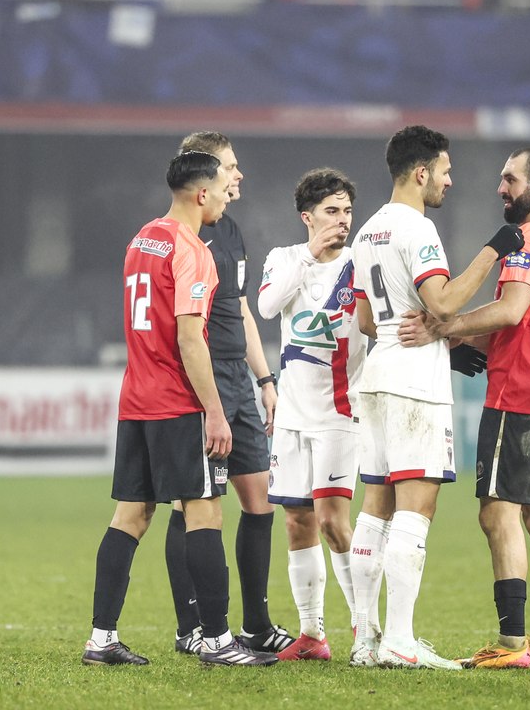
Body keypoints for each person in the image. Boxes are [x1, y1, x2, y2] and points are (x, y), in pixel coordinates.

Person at [83, 150, 275, 667]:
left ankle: (102, 638)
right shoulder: (192, 250)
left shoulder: (141, 238)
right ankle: (215, 639)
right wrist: (214, 410)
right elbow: (191, 340)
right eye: (220, 187)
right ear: (201, 193)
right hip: (176, 403)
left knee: (131, 515)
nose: (225, 196)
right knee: (204, 511)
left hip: (135, 400)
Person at [400, 147, 530, 669]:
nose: (501, 188)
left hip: (521, 393)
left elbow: (511, 309)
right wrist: (467, 346)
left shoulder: (529, 240)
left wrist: (444, 327)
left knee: (496, 512)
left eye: (511, 180)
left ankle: (511, 646)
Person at [347, 125, 524, 670]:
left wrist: (436, 347)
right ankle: (400, 639)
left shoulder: (369, 230)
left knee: (374, 510)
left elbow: (366, 319)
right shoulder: (417, 229)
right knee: (415, 511)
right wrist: (495, 249)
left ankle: (365, 639)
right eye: (445, 171)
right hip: (413, 387)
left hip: (376, 379)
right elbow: (443, 304)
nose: (450, 180)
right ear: (421, 172)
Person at [163, 132, 291, 658]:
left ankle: (256, 624)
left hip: (239, 378)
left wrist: (266, 382)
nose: (238, 177)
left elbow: (237, 309)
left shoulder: (230, 232)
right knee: (192, 502)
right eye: (231, 168)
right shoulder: (183, 237)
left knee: (260, 501)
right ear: (205, 177)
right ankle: (190, 626)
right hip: (203, 377)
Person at [255, 168, 365, 661]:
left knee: (333, 521)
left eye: (346, 211)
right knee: (297, 520)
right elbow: (266, 306)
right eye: (330, 212)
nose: (341, 221)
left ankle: (366, 628)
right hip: (292, 417)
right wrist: (309, 256)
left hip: (341, 413)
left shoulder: (361, 265)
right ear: (307, 217)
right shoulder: (284, 258)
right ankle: (313, 634)